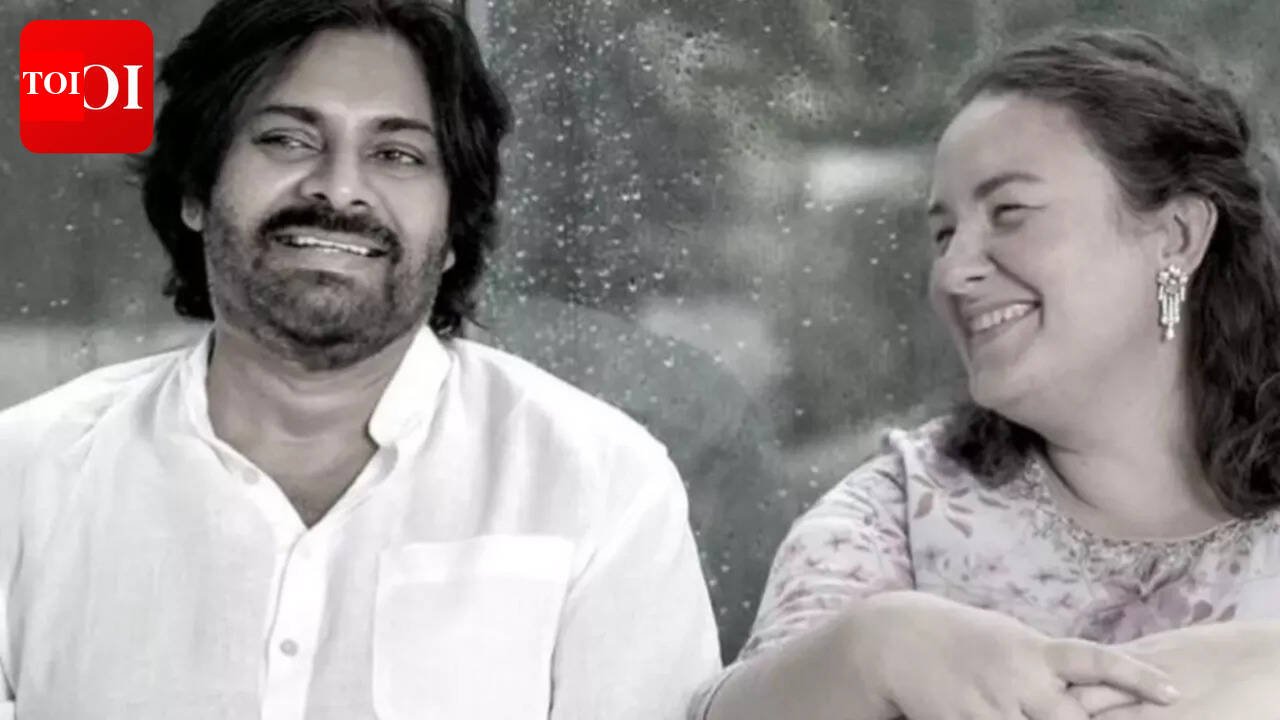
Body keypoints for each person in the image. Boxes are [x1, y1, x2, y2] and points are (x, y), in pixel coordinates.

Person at [0, 1, 721, 718]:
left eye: (397, 155)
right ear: (196, 189)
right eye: (286, 139)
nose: (339, 188)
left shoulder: (599, 485)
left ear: (453, 232)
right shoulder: (25, 479)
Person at [696, 28, 1280, 720]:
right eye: (944, 234)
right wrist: (870, 650)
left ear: (1178, 235)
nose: (952, 272)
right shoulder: (897, 516)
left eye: (1010, 214)